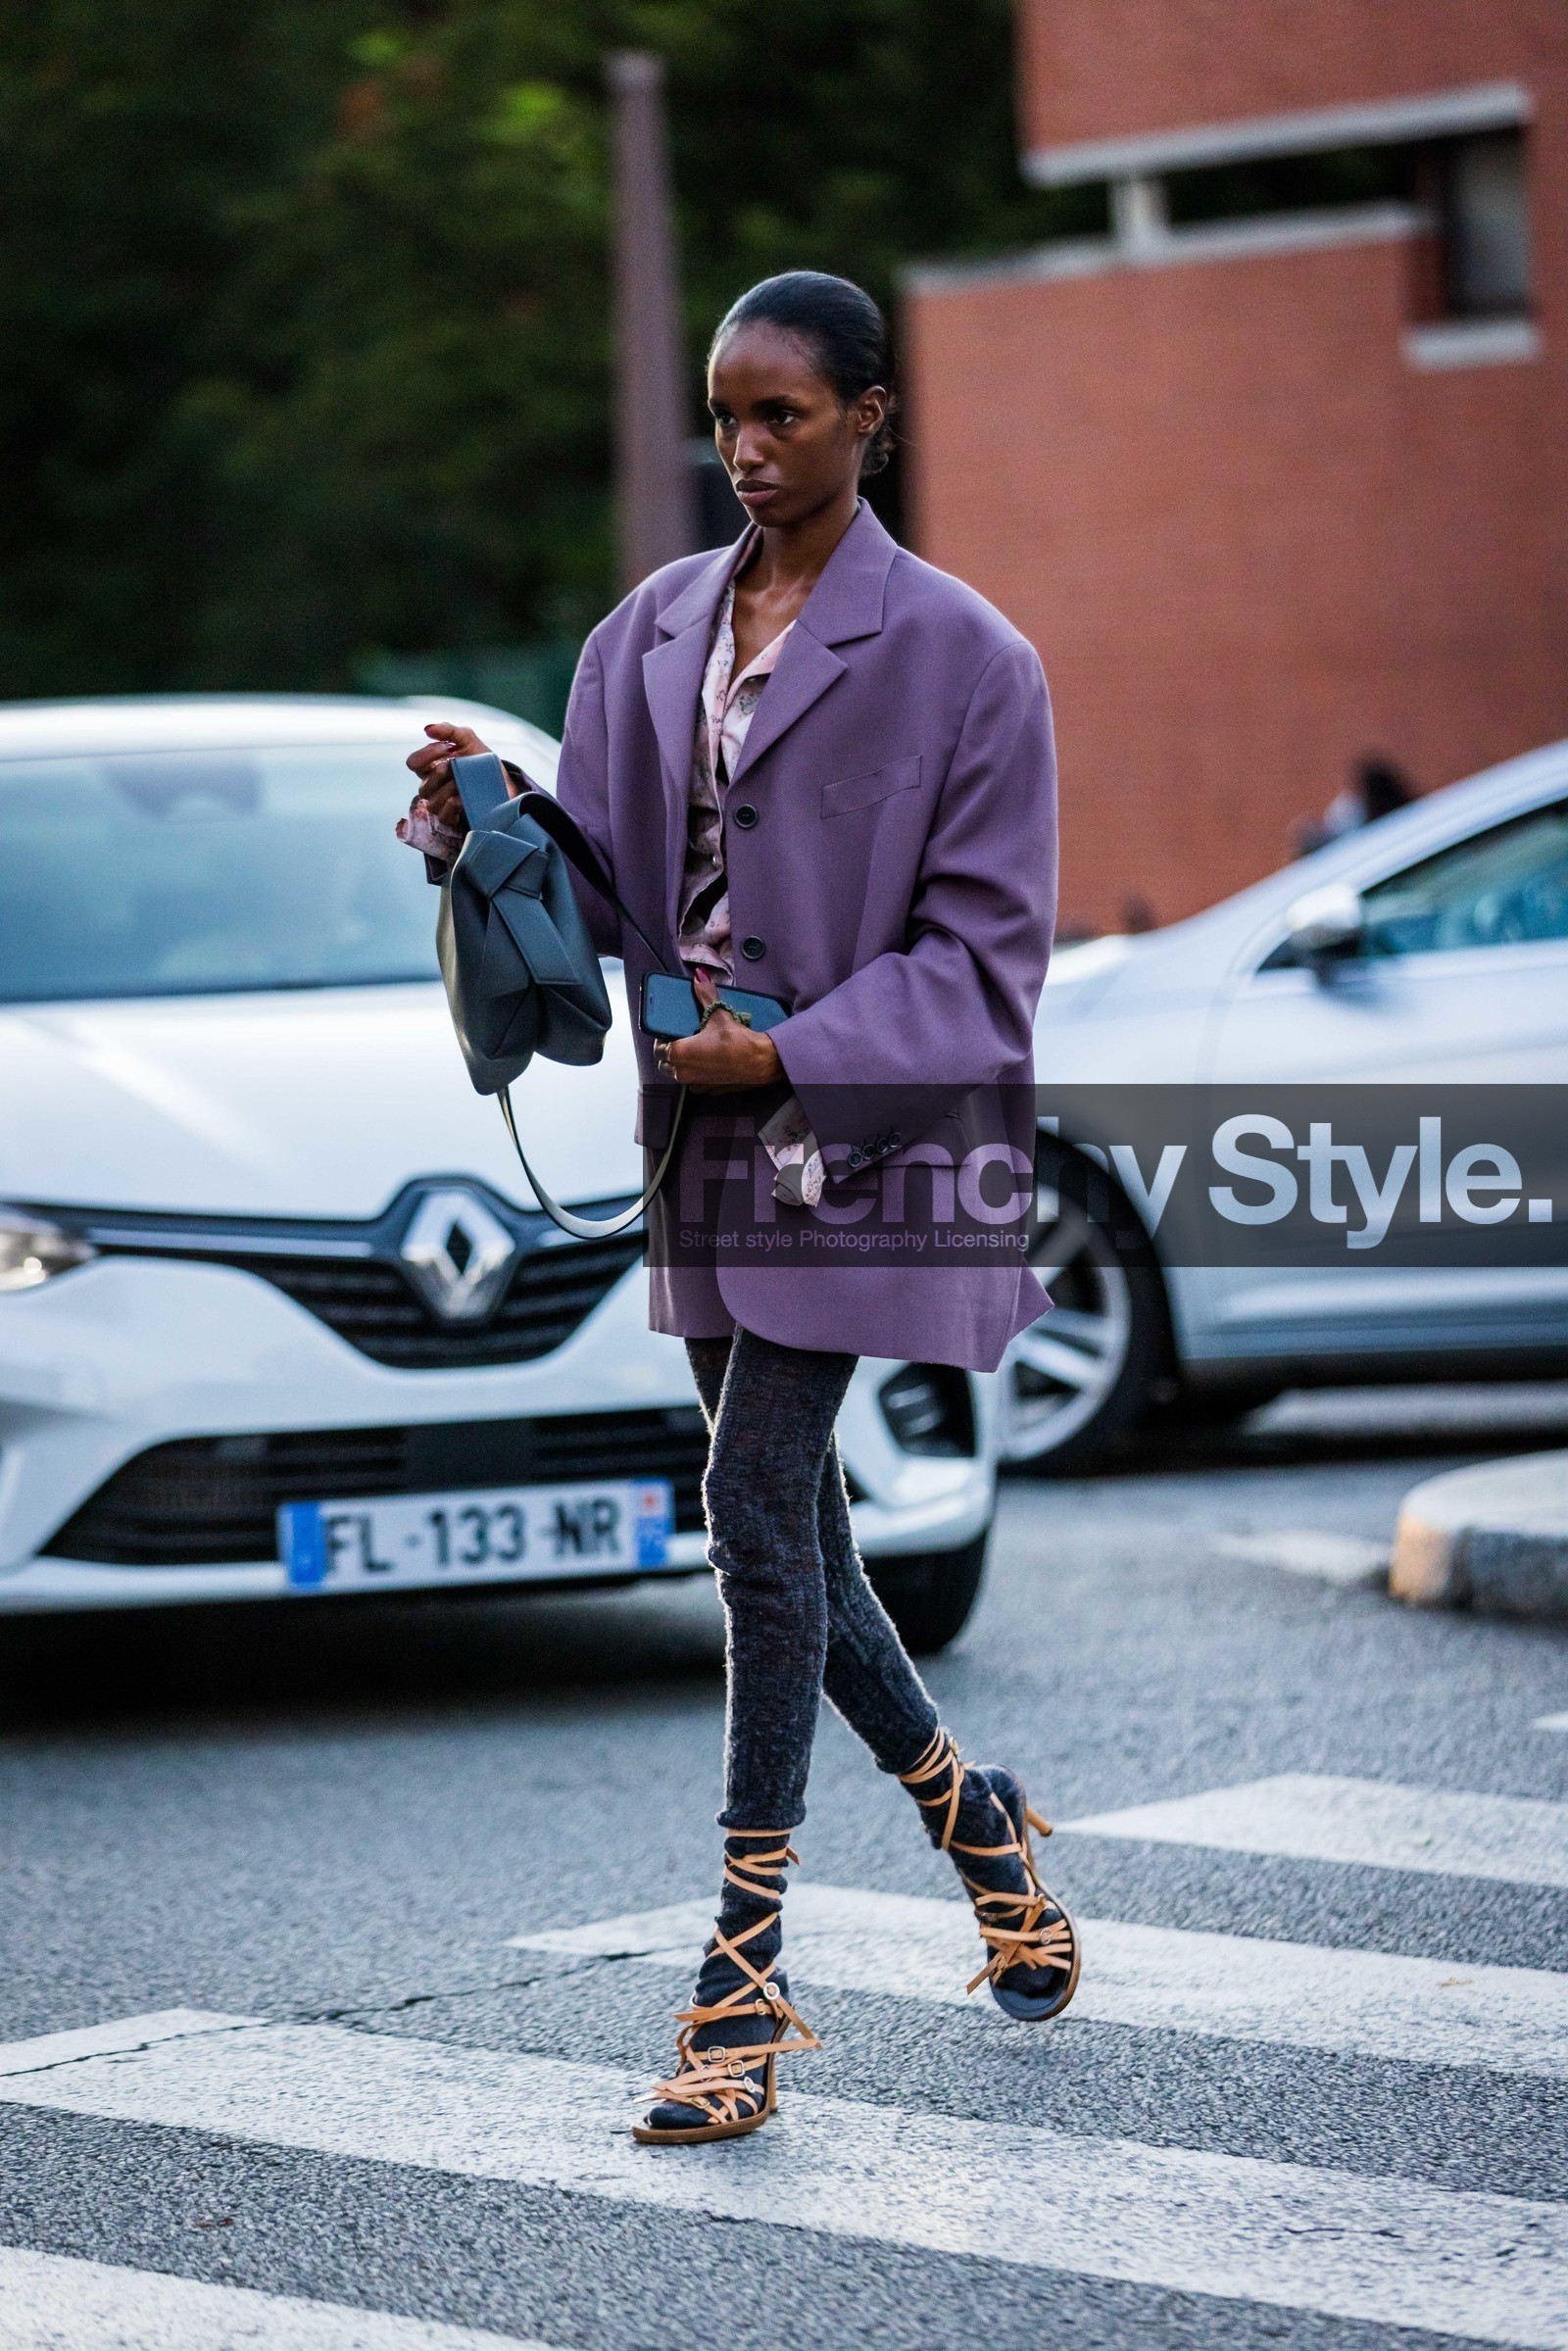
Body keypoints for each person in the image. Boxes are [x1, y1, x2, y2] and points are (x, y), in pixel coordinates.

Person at [403, 270, 1079, 2146]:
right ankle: (983, 1830)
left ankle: (744, 1979)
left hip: (878, 1145)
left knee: (742, 1505)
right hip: (701, 1148)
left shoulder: (971, 661)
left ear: (876, 417)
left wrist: (785, 1059)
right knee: (798, 1534)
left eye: (786, 414)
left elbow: (987, 963)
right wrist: (492, 824)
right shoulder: (644, 635)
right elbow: (618, 891)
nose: (749, 449)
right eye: (726, 415)